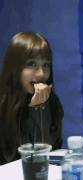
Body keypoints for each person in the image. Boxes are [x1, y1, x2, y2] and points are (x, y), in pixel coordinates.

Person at [0, 32, 64, 165]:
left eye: (46, 65)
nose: (41, 74)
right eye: (31, 64)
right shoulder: (2, 103)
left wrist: (38, 109)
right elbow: (15, 158)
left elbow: (47, 156)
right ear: (15, 67)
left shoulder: (52, 103)